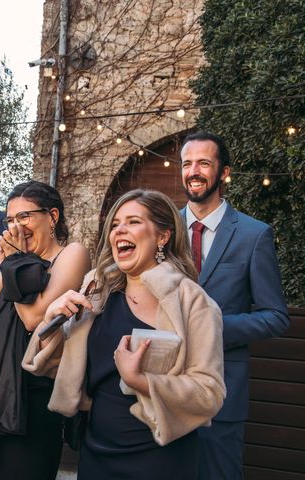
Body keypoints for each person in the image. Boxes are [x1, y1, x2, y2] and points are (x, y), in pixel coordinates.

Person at [22, 189, 226, 480]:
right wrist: (52, 320)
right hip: (97, 450)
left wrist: (139, 381)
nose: (119, 231)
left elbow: (209, 393)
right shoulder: (97, 289)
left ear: (163, 236)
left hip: (160, 456)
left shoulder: (192, 301)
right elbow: (53, 365)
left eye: (133, 222)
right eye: (115, 224)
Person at [0, 180, 90, 480]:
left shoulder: (71, 254)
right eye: (10, 220)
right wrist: (5, 272)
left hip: (34, 399)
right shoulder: (9, 263)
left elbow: (35, 320)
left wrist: (13, 263)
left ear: (52, 217)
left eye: (24, 216)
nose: (16, 226)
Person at [179, 131, 290, 479]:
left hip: (222, 393)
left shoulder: (254, 235)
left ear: (224, 172)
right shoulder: (162, 231)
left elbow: (275, 317)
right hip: (161, 389)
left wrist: (212, 327)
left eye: (203, 163)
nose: (193, 171)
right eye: (186, 163)